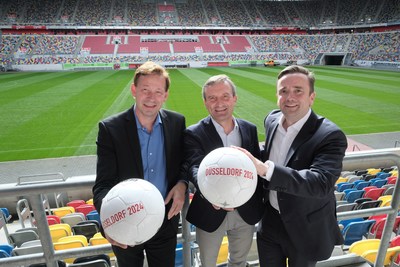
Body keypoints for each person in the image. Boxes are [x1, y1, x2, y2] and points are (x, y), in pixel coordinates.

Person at [235, 65, 347, 267]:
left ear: (311, 97)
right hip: (269, 222)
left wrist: (265, 169)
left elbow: (321, 183)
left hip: (304, 227)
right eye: (283, 91)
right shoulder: (271, 120)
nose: (290, 97)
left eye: (298, 91)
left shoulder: (330, 135)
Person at [92, 61, 187, 267]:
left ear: (165, 95)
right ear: (134, 90)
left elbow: (184, 164)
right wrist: (108, 222)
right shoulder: (110, 129)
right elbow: (102, 185)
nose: (151, 98)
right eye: (145, 90)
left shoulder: (177, 123)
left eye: (158, 91)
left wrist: (182, 184)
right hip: (125, 221)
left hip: (164, 220)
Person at [184, 74, 265, 267]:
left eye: (225, 96)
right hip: (210, 210)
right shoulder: (194, 133)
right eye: (212, 98)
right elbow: (194, 167)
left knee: (239, 262)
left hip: (245, 211)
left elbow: (255, 165)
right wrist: (212, 193)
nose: (219, 103)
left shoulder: (249, 129)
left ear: (235, 98)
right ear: (205, 102)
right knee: (208, 264)